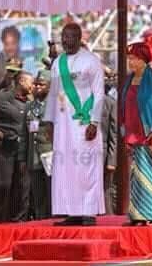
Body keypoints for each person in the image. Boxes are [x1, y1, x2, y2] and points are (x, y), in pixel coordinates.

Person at [44, 23, 105, 226]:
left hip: (83, 122)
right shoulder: (57, 63)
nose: (66, 40)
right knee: (65, 167)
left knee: (85, 167)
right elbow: (53, 94)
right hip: (62, 125)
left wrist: (94, 122)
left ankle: (88, 212)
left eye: (71, 36)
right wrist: (49, 122)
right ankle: (70, 212)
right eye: (64, 36)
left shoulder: (92, 61)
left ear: (79, 38)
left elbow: (98, 93)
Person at [119, 42, 152, 225]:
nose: (130, 62)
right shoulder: (129, 79)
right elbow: (124, 108)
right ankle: (138, 215)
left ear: (143, 59)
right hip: (133, 135)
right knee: (137, 176)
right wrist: (125, 134)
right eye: (129, 58)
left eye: (134, 58)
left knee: (151, 174)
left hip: (149, 134)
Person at [0, 71, 34, 222]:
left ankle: (19, 220)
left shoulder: (31, 102)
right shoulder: (1, 98)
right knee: (4, 185)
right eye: (31, 82)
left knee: (23, 187)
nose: (33, 86)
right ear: (22, 81)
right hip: (5, 149)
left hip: (24, 150)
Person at [18, 70, 52, 220]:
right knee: (38, 196)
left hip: (51, 157)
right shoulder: (29, 106)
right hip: (34, 158)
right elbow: (24, 135)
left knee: (52, 195)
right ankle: (40, 222)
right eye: (36, 84)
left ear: (50, 87)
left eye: (42, 84)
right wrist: (22, 158)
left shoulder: (56, 105)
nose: (37, 87)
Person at [101, 74, 118, 215]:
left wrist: (111, 160)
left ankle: (108, 217)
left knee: (105, 189)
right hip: (82, 155)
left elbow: (114, 133)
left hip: (103, 153)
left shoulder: (110, 103)